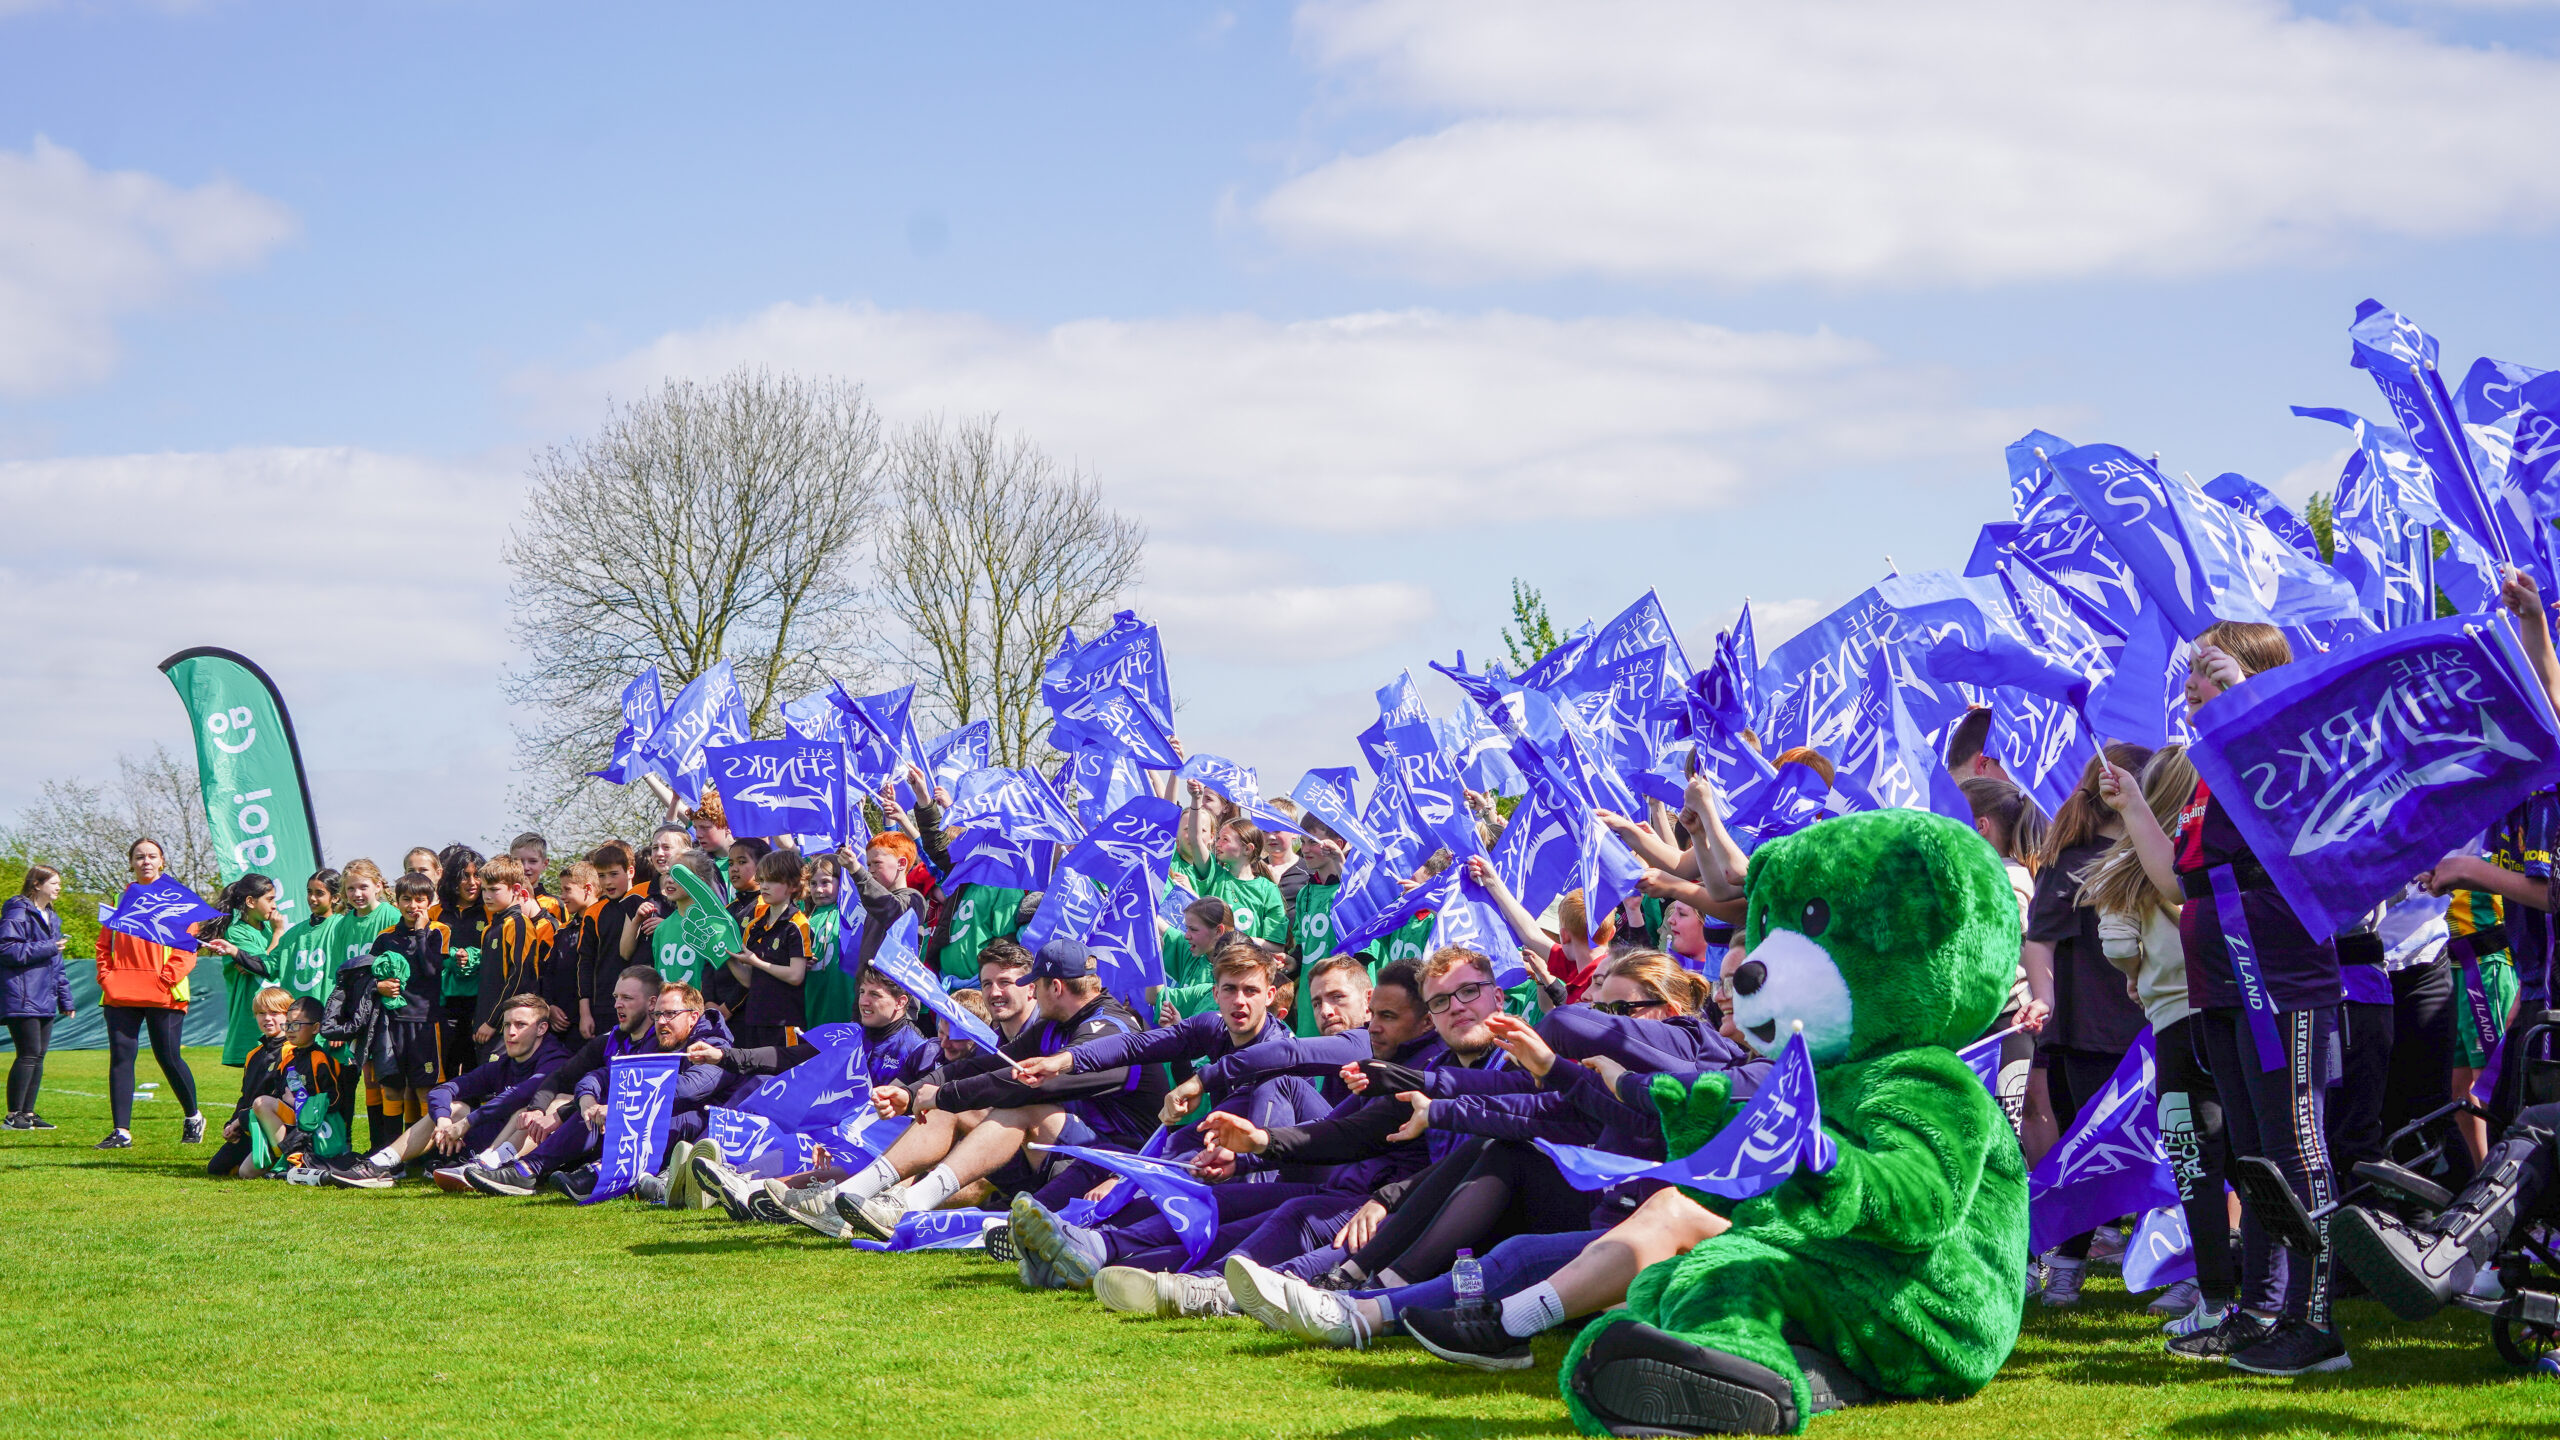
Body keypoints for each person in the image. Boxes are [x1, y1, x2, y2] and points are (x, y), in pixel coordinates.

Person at [2101, 621, 2350, 1376]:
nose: (2192, 691)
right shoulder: (2209, 769)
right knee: (2253, 1160)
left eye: (2206, 674)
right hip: (2225, 990)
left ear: (2251, 677)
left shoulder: (2278, 748)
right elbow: (2179, 884)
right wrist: (2136, 806)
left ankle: (2317, 1326)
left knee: (2297, 1152)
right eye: (2191, 680)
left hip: (2282, 984)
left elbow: (2306, 824)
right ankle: (2260, 1311)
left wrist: (2247, 698)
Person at [842, 938, 1165, 1240]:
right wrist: (915, 1092)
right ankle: (849, 1195)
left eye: (1033, 985)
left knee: (1020, 1107)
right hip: (1069, 1153)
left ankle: (908, 1204)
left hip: (1120, 1166)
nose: (1033, 994)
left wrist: (941, 1094)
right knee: (959, 1105)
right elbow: (986, 1067)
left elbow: (1030, 1086)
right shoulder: (1057, 1025)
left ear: (1055, 986)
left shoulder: (1112, 1029)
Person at [2080, 744, 2233, 1337]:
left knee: (2194, 1165)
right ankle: (2274, 1294)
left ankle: (2214, 1296)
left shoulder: (2127, 863)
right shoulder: (2211, 850)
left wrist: (2136, 980)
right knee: (2251, 1155)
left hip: (2173, 1026)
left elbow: (2119, 947)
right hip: (2228, 1015)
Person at [326, 992, 573, 1189]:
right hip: (488, 1142)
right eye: (507, 1024)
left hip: (525, 1147)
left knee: (527, 1109)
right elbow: (442, 1090)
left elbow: (520, 1094)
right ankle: (379, 1164)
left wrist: (466, 1124)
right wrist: (445, 1121)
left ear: (541, 1029)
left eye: (521, 1025)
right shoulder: (505, 1063)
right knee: (454, 1107)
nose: (511, 1032)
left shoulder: (555, 1060)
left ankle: (490, 1168)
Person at [94, 838, 205, 1150]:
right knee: (121, 1058)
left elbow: (188, 948)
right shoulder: (119, 899)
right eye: (139, 856)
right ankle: (121, 1132)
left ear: (162, 862)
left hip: (164, 992)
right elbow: (104, 945)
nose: (145, 861)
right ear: (131, 863)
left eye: (152, 856)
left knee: (167, 1057)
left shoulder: (179, 900)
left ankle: (193, 1115)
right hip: (121, 992)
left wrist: (165, 978)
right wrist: (106, 976)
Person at [355, 871, 448, 1149]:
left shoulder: (439, 932)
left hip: (426, 1023)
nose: (413, 906)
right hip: (391, 1024)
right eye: (406, 899)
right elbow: (368, 975)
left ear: (430, 902)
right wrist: (379, 985)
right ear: (397, 902)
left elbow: (433, 970)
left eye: (420, 899)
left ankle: (428, 1155)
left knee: (425, 1089)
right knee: (392, 1088)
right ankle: (389, 1154)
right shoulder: (385, 938)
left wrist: (421, 932)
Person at [2, 865, 71, 1130]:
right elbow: (7, 949)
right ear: (37, 885)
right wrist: (49, 946)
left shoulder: (51, 917)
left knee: (38, 1055)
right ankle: (12, 1115)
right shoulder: (18, 910)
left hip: (44, 995)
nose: (58, 887)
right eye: (54, 882)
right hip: (21, 993)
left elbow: (57, 963)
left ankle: (27, 1113)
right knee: (28, 1053)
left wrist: (65, 998)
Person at [195, 872, 285, 1068]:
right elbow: (267, 966)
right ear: (251, 902)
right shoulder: (237, 931)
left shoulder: (267, 929)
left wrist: (251, 960)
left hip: (275, 1015)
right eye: (269, 899)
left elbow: (269, 963)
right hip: (252, 1019)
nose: (274, 905)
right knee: (257, 1083)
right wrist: (278, 934)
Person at [207, 986, 297, 1177]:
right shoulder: (253, 1055)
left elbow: (280, 1099)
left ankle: (286, 1161)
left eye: (275, 1012)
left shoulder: (292, 1052)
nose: (267, 1019)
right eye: (261, 1013)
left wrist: (241, 1121)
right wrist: (231, 1124)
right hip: (250, 1124)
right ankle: (261, 1158)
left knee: (245, 1173)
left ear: (288, 1015)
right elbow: (245, 1097)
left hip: (278, 1126)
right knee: (216, 1169)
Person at [727, 850, 813, 1048]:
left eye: (773, 881)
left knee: (783, 1077)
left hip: (785, 1023)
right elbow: (749, 979)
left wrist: (757, 962)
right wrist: (727, 957)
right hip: (755, 1019)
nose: (764, 886)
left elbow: (796, 975)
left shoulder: (798, 924)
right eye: (762, 879)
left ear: (793, 885)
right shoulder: (754, 925)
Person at [472, 856, 553, 1063]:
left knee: (499, 1089)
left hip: (506, 1024)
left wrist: (493, 1021)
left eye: (494, 889)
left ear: (516, 889)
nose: (487, 896)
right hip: (485, 1022)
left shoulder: (518, 924)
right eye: (484, 890)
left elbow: (520, 978)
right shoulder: (491, 928)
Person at [431, 846, 490, 1078]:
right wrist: (452, 957)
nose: (472, 882)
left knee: (476, 1068)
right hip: (446, 1004)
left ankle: (472, 1114)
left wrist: (474, 957)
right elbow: (427, 952)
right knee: (447, 1067)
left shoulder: (490, 910)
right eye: (465, 875)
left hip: (480, 1004)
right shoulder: (436, 912)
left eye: (477, 875)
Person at [540, 860, 600, 1041]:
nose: (562, 896)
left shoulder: (603, 926)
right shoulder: (563, 931)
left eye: (567, 890)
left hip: (593, 1022)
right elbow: (549, 973)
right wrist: (549, 1006)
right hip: (562, 1027)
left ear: (587, 889)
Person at [271, 868, 341, 1009]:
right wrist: (238, 955)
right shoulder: (292, 935)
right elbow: (269, 966)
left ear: (335, 897)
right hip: (297, 1021)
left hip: (331, 1018)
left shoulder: (343, 927)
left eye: (319, 893)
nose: (312, 898)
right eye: (309, 892)